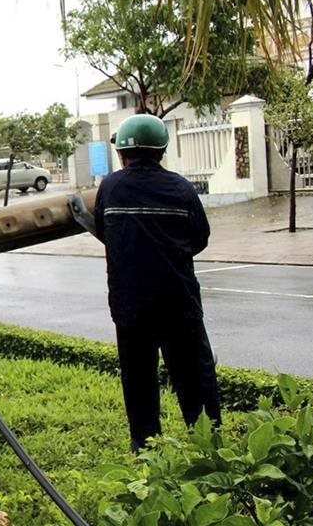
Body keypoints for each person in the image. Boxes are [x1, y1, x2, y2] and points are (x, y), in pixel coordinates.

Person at [95, 114, 221, 452]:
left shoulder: (110, 187)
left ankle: (145, 448)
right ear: (162, 150)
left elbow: (105, 233)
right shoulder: (181, 188)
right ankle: (209, 446)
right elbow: (200, 238)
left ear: (122, 153)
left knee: (138, 382)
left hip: (130, 306)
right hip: (178, 302)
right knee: (195, 377)